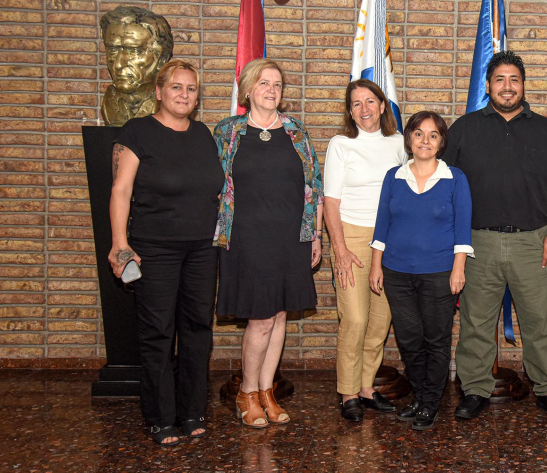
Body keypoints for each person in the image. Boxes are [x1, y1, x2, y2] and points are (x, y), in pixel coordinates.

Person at [444, 50, 547, 421]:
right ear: (488, 85)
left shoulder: (546, 129)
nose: (507, 86)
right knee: (476, 321)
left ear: (523, 85)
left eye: (514, 80)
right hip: (479, 243)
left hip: (534, 242)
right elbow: (443, 183)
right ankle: (474, 389)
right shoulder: (464, 128)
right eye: (500, 80)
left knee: (540, 322)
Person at [108, 59, 223, 446]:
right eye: (176, 87)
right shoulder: (138, 132)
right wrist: (120, 244)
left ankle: (192, 411)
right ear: (159, 91)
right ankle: (160, 417)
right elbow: (121, 190)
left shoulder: (204, 134)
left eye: (191, 89)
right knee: (158, 333)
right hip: (153, 250)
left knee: (197, 331)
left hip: (202, 250)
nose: (184, 95)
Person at [213, 58, 323, 429]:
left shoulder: (296, 131)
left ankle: (266, 392)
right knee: (260, 318)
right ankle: (246, 392)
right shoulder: (228, 132)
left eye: (277, 84)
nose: (271, 90)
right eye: (264, 83)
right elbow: (213, 188)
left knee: (279, 315)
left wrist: (315, 235)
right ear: (247, 90)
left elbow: (314, 188)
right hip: (246, 237)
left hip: (290, 236)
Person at [368, 111, 473, 430]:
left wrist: (459, 269)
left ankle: (430, 402)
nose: (425, 140)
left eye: (433, 135)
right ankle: (419, 395)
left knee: (436, 340)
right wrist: (376, 265)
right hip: (397, 274)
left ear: (441, 143)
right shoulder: (393, 177)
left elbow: (462, 229)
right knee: (410, 339)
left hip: (439, 273)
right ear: (409, 139)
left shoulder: (455, 178)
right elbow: (382, 225)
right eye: (418, 133)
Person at [323, 79, 407, 422]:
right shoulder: (341, 144)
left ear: (383, 105)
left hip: (389, 242)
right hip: (352, 239)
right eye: (356, 104)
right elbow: (330, 201)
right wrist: (339, 249)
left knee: (380, 321)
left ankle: (366, 388)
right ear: (350, 111)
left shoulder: (400, 143)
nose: (364, 109)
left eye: (370, 101)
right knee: (355, 319)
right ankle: (347, 393)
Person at [99, 6, 174, 126]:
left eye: (133, 51)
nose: (118, 64)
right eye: (113, 50)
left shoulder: (169, 104)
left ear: (162, 57)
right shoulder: (109, 102)